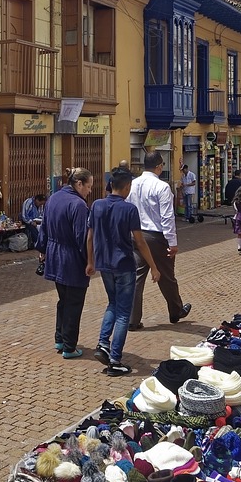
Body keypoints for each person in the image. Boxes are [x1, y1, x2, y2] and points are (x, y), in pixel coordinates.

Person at [90, 167, 160, 377]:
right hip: (124, 264)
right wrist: (154, 267)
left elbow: (89, 236)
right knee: (123, 312)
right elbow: (139, 241)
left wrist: (90, 261)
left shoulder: (97, 205)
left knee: (112, 303)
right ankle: (115, 359)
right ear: (127, 187)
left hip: (104, 264)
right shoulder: (129, 209)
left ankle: (103, 343)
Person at [126, 150, 191, 329]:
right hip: (156, 237)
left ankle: (132, 319)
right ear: (159, 166)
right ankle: (176, 310)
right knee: (167, 276)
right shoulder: (161, 187)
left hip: (136, 235)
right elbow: (167, 218)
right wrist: (173, 243)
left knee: (137, 277)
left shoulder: (132, 184)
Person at [41, 168, 96, 359]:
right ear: (79, 184)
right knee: (74, 302)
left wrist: (42, 251)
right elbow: (83, 238)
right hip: (71, 259)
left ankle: (60, 338)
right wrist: (90, 261)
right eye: (88, 186)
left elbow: (44, 228)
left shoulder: (53, 198)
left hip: (54, 256)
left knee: (63, 300)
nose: (89, 191)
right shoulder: (79, 205)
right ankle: (69, 347)